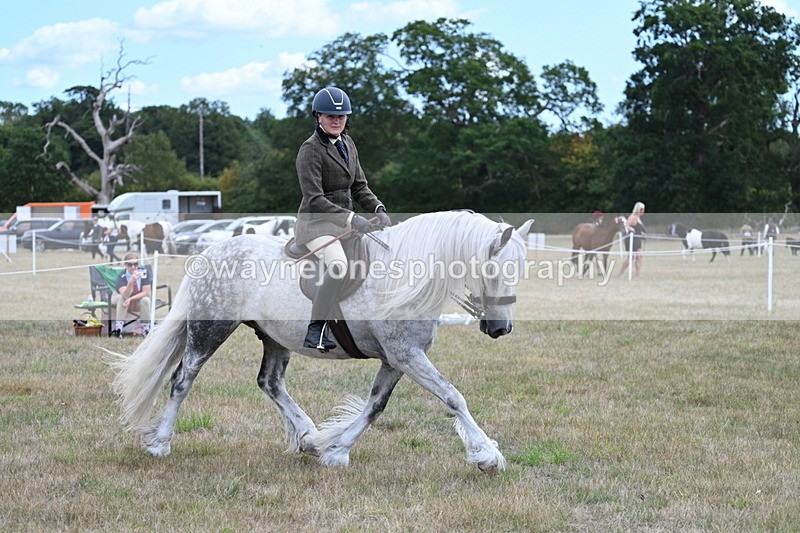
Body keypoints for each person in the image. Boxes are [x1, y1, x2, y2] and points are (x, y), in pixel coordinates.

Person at [295, 86, 391, 352]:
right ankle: (316, 329)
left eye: (341, 116)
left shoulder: (348, 144)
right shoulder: (310, 150)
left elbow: (359, 187)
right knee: (338, 265)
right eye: (329, 116)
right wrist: (351, 219)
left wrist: (378, 208)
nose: (336, 120)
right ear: (318, 117)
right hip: (316, 225)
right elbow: (314, 199)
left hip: (345, 223)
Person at [110, 252, 152, 338]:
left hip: (135, 298)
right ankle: (119, 330)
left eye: (135, 264)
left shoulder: (144, 273)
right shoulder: (121, 276)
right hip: (119, 297)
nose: (133, 267)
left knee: (146, 300)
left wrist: (131, 298)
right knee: (123, 299)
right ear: (125, 265)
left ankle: (145, 330)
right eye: (130, 264)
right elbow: (125, 295)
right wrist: (130, 282)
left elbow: (146, 292)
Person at [619, 202, 646, 277]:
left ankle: (638, 274)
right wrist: (631, 229)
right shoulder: (632, 217)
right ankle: (621, 272)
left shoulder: (639, 218)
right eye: (642, 209)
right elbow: (626, 226)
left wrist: (642, 233)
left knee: (639, 256)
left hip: (638, 239)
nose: (643, 211)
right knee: (631, 258)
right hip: (631, 240)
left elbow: (639, 228)